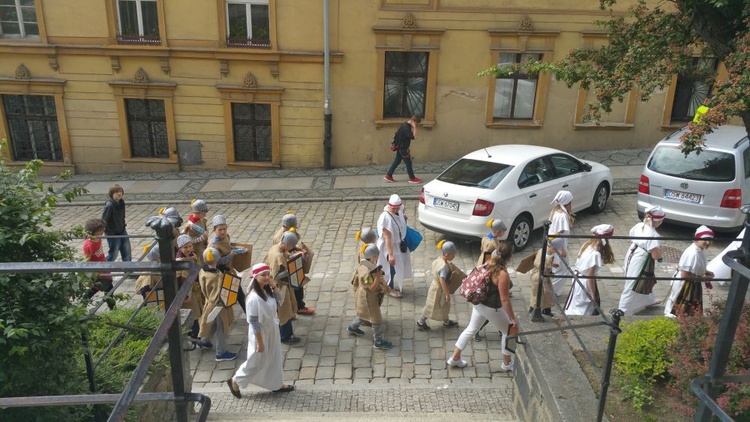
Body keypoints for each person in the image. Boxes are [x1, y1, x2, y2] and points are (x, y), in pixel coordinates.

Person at [227, 263, 295, 398]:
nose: (266, 277)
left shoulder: (267, 290)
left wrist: (274, 285)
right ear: (255, 277)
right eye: (263, 275)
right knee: (256, 360)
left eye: (268, 274)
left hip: (271, 328)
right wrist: (260, 342)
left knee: (274, 357)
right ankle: (236, 380)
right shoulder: (253, 298)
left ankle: (277, 383)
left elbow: (279, 300)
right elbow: (254, 322)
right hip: (261, 332)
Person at [447, 241, 516, 371]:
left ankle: (455, 358)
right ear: (509, 257)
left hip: (479, 304)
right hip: (492, 308)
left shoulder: (488, 263)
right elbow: (505, 299)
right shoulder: (502, 275)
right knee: (510, 331)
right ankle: (507, 363)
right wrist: (512, 319)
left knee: (471, 329)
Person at [618, 205, 666, 315]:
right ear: (658, 221)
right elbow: (655, 256)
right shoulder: (654, 235)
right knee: (632, 283)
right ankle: (623, 310)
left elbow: (630, 239)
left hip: (631, 253)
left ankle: (648, 300)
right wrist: (663, 250)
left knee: (643, 279)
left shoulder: (639, 225)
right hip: (640, 259)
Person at [347, 244, 394, 350]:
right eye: (377, 255)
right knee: (376, 319)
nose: (378, 257)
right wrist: (377, 277)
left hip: (364, 297)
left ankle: (353, 327)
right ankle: (378, 341)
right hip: (369, 298)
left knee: (363, 314)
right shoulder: (367, 273)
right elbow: (371, 288)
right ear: (373, 257)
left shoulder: (365, 264)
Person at [565, 224, 615, 316]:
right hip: (584, 282)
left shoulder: (586, 245)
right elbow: (589, 276)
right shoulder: (595, 254)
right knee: (584, 309)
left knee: (576, 305)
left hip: (577, 279)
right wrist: (593, 294)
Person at [664, 226, 715, 317]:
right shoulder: (692, 253)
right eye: (705, 240)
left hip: (693, 282)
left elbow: (696, 266)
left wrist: (705, 271)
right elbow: (685, 275)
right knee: (678, 307)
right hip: (685, 283)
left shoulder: (701, 250)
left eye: (710, 240)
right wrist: (703, 279)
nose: (708, 243)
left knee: (690, 306)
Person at [197, 247, 238, 360]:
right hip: (217, 305)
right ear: (217, 259)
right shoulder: (216, 277)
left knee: (212, 324)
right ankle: (220, 352)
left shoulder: (203, 271)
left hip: (209, 302)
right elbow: (219, 293)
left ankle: (204, 341)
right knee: (222, 328)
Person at [272, 212, 315, 316]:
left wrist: (299, 250)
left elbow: (291, 247)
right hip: (285, 267)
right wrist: (295, 254)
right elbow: (285, 252)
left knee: (297, 285)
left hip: (291, 262)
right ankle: (297, 307)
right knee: (293, 287)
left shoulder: (289, 233)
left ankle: (295, 307)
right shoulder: (280, 238)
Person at [264, 231, 301, 345]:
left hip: (282, 285)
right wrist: (289, 271)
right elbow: (275, 275)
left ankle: (285, 332)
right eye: (291, 246)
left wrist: (293, 257)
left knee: (286, 308)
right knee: (284, 310)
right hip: (279, 287)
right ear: (286, 244)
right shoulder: (277, 255)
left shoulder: (277, 247)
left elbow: (286, 255)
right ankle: (285, 336)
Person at [417, 240, 460, 331]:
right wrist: (447, 293)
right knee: (432, 306)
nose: (454, 256)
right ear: (447, 254)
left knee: (444, 306)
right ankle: (421, 322)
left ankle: (446, 321)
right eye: (453, 254)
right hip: (438, 290)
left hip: (435, 286)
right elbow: (442, 280)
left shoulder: (439, 260)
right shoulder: (443, 266)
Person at [208, 214, 248, 313]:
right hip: (222, 272)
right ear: (214, 230)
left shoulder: (225, 237)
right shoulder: (213, 246)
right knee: (228, 297)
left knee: (238, 294)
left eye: (224, 229)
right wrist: (231, 255)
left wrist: (239, 250)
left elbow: (229, 247)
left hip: (230, 270)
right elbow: (216, 262)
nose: (223, 232)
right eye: (220, 229)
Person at [376, 194, 413, 298]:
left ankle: (387, 286)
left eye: (398, 208)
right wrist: (390, 254)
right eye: (394, 208)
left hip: (396, 245)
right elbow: (388, 237)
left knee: (395, 267)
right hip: (388, 247)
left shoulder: (398, 211)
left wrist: (404, 219)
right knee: (390, 268)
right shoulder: (385, 218)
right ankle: (389, 288)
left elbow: (399, 225)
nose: (397, 210)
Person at [176, 234, 205, 341]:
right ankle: (194, 337)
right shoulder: (180, 262)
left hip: (194, 288)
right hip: (186, 292)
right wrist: (185, 296)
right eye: (185, 247)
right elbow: (181, 280)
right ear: (180, 248)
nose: (188, 249)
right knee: (194, 313)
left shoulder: (192, 255)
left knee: (198, 311)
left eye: (190, 246)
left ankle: (195, 335)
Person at [82, 218, 116, 310]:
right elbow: (87, 260)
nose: (102, 231)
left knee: (96, 288)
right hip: (97, 271)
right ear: (94, 231)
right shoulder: (89, 245)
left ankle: (83, 303)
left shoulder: (98, 239)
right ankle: (112, 307)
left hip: (103, 267)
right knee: (108, 288)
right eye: (100, 230)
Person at [384, 114, 422, 184]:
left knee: (397, 161)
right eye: (417, 123)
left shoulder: (405, 125)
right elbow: (414, 137)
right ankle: (412, 178)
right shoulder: (406, 128)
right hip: (403, 149)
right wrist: (414, 127)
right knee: (408, 163)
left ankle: (389, 175)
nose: (416, 124)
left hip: (400, 147)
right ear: (415, 121)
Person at [528, 239, 560, 316]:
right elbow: (538, 264)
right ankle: (532, 311)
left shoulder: (549, 253)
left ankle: (547, 310)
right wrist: (548, 265)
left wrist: (552, 265)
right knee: (537, 295)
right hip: (538, 277)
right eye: (556, 249)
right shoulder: (542, 253)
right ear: (552, 247)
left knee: (548, 294)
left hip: (545, 276)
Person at [101, 184, 131, 263]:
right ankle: (102, 269)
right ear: (112, 194)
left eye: (120, 191)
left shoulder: (121, 202)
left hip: (122, 230)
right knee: (113, 255)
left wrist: (123, 225)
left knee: (127, 252)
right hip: (113, 234)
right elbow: (104, 221)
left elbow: (122, 216)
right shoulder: (109, 206)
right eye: (116, 192)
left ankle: (129, 272)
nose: (119, 193)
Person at [183, 199, 210, 265]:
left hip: (203, 243)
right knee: (201, 261)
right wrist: (202, 238)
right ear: (197, 213)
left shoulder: (200, 218)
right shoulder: (191, 225)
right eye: (203, 214)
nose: (205, 215)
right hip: (196, 248)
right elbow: (190, 241)